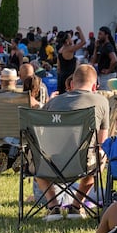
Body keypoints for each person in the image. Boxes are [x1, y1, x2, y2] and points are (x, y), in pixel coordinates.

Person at [39, 64, 110, 221]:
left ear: (72, 84)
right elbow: (102, 142)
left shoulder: (53, 102)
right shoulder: (101, 101)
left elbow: (38, 134)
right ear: (94, 86)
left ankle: (53, 206)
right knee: (101, 155)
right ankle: (76, 206)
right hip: (83, 163)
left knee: (35, 157)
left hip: (51, 164)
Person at [56, 26, 86, 94]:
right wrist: (80, 30)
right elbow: (83, 42)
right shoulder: (69, 49)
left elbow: (58, 67)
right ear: (67, 40)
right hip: (69, 78)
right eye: (70, 38)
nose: (72, 39)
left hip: (62, 78)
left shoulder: (61, 50)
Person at [92, 26, 117, 90]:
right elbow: (94, 60)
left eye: (100, 34)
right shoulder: (101, 46)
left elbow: (114, 60)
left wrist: (109, 70)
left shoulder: (108, 46)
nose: (98, 36)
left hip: (108, 76)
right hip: (102, 75)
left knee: (106, 94)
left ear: (106, 35)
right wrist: (96, 48)